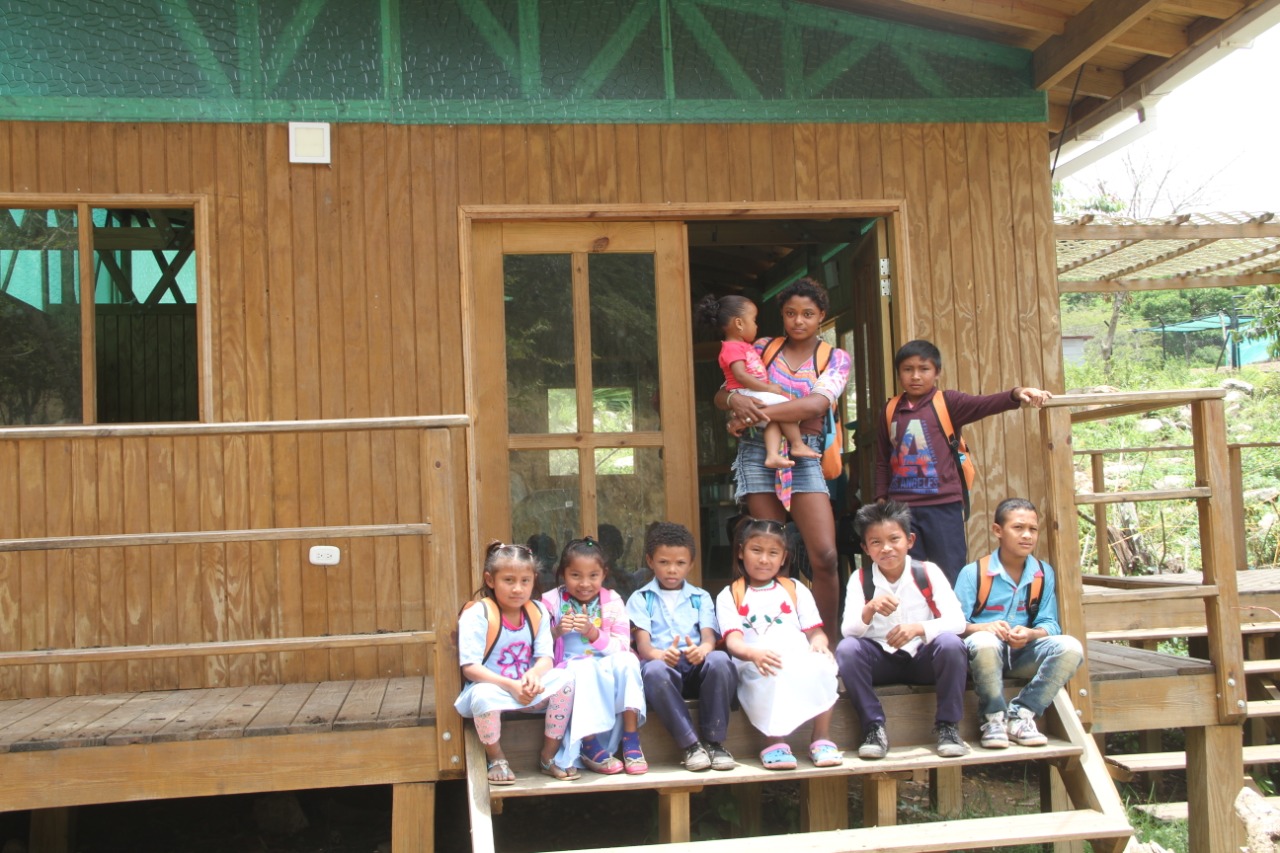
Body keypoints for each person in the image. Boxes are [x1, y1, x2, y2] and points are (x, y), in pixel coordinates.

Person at [715, 278, 850, 644]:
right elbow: (723, 393)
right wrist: (734, 402)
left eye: (808, 314)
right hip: (758, 451)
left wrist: (752, 413)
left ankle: (826, 644)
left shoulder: (835, 358)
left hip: (804, 452)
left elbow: (816, 405)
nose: (798, 321)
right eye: (790, 313)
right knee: (770, 555)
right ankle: (773, 644)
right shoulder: (762, 347)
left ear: (821, 315)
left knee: (825, 556)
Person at [876, 339, 1052, 584]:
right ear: (898, 374)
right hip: (901, 509)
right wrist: (881, 500)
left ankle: (955, 611)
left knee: (951, 572)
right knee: (907, 576)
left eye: (924, 369)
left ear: (937, 372)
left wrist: (1016, 393)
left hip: (943, 505)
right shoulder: (890, 410)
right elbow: (883, 460)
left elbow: (985, 403)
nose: (915, 376)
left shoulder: (948, 402)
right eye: (908, 369)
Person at [835, 501, 970, 760]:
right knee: (847, 650)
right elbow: (848, 631)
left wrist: (918, 628)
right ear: (865, 548)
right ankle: (873, 727)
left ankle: (948, 726)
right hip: (881, 662)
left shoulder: (927, 572)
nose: (886, 548)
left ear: (910, 540)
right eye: (876, 542)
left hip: (922, 660)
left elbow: (958, 622)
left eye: (894, 539)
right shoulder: (861, 579)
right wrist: (869, 609)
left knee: (951, 644)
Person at [954, 498, 1083, 749]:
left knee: (1071, 647)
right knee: (984, 641)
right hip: (981, 658)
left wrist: (1031, 634)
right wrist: (983, 628)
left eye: (1033, 529)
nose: (1027, 535)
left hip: (1022, 656)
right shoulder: (973, 573)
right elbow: (953, 625)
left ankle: (1022, 714)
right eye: (1018, 528)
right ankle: (993, 719)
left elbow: (1050, 623)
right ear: (998, 531)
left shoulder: (1042, 573)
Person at [715, 518, 840, 770]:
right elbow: (734, 642)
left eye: (773, 553)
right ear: (741, 552)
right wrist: (754, 654)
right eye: (756, 550)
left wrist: (819, 643)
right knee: (772, 671)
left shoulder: (795, 589)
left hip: (795, 654)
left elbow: (815, 631)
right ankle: (775, 740)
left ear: (783, 558)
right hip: (754, 660)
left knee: (824, 665)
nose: (764, 560)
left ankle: (821, 737)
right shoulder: (730, 595)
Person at [455, 541, 578, 784]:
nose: (517, 589)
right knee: (481, 695)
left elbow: (545, 658)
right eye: (508, 580)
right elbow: (470, 668)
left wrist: (534, 675)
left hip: (528, 691)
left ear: (534, 580)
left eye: (525, 581)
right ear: (490, 580)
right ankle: (496, 758)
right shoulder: (477, 613)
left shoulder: (538, 611)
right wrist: (510, 685)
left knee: (566, 678)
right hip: (496, 692)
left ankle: (549, 755)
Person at [627, 521, 737, 772]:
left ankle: (714, 742)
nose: (672, 570)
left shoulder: (700, 597)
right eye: (663, 562)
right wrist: (660, 655)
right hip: (665, 671)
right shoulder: (641, 598)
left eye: (680, 563)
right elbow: (644, 647)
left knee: (720, 660)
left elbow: (708, 638)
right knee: (653, 670)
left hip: (697, 666)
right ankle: (691, 745)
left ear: (691, 564)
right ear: (650, 561)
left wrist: (703, 650)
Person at [542, 537, 648, 775]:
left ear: (604, 574)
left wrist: (593, 633)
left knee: (629, 661)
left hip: (606, 661)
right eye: (575, 575)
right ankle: (589, 744)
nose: (584, 584)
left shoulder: (612, 601)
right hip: (570, 667)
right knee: (584, 668)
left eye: (593, 576)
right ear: (562, 573)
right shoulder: (550, 602)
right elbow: (536, 645)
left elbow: (622, 646)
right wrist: (556, 631)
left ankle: (631, 738)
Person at [696, 293, 820, 470]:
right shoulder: (731, 348)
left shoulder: (744, 346)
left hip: (751, 392)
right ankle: (797, 443)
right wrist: (767, 388)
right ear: (739, 323)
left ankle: (772, 455)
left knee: (774, 419)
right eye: (754, 320)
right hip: (746, 392)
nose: (756, 325)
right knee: (785, 407)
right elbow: (741, 376)